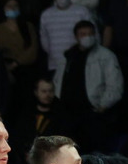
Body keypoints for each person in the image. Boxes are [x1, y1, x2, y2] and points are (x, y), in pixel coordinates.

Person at [53, 20, 124, 149]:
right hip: (68, 113)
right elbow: (58, 80)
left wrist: (102, 105)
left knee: (93, 151)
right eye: (83, 34)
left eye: (90, 33)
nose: (87, 37)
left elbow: (115, 85)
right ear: (76, 37)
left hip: (92, 112)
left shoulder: (105, 56)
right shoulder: (68, 55)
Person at [39, 0, 95, 74]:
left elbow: (93, 34)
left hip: (80, 63)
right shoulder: (46, 15)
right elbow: (44, 40)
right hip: (55, 65)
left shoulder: (82, 11)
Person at [0, 0, 40, 86]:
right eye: (9, 6)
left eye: (15, 6)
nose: (13, 8)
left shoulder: (28, 26)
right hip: (7, 72)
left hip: (27, 70)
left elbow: (33, 49)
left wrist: (16, 63)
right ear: (3, 8)